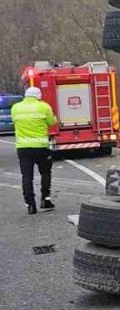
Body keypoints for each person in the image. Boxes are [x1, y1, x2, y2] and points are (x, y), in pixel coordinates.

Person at [11, 85, 57, 215]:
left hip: (23, 148)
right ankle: (45, 199)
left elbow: (15, 121)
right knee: (45, 173)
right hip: (41, 147)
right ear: (39, 96)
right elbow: (51, 122)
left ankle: (30, 205)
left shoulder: (15, 108)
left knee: (27, 177)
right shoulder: (44, 106)